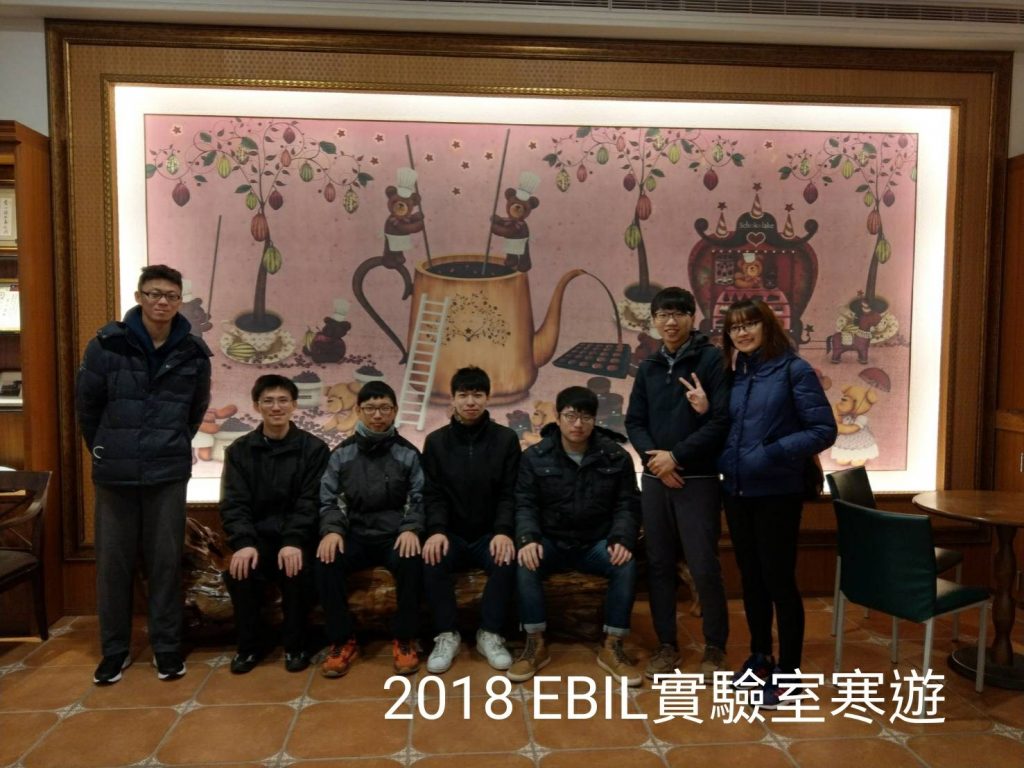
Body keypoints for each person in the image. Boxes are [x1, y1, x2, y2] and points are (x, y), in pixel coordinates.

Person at [76, 264, 212, 684]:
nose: (161, 302)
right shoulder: (106, 345)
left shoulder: (193, 352)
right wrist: (106, 448)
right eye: (154, 294)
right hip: (114, 474)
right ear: (139, 297)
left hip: (167, 472)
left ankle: (166, 648)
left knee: (165, 563)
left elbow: (195, 412)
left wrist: (171, 442)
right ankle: (114, 651)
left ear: (179, 301)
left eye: (170, 296)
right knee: (113, 567)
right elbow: (88, 407)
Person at [717, 298, 837, 707]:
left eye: (749, 324)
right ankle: (760, 657)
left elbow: (823, 430)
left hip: (777, 493)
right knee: (751, 580)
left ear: (767, 326)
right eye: (734, 327)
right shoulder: (735, 374)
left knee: (779, 582)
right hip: (737, 491)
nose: (742, 332)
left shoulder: (793, 370)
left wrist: (771, 453)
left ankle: (789, 672)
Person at [625, 286, 731, 681]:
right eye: (662, 315)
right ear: (653, 320)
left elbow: (721, 420)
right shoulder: (649, 365)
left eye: (678, 314)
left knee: (704, 566)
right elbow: (634, 421)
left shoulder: (712, 359)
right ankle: (666, 644)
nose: (670, 322)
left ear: (691, 317)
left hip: (698, 479)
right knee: (659, 565)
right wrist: (656, 460)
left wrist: (677, 456)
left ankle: (715, 647)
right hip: (656, 479)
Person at [509, 386, 642, 685]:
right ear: (558, 417)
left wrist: (621, 538)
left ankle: (612, 646)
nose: (578, 424)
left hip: (595, 542)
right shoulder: (535, 456)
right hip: (552, 541)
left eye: (585, 417)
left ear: (595, 419)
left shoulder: (615, 457)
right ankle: (535, 643)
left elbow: (627, 504)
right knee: (525, 560)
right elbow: (525, 503)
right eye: (570, 416)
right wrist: (528, 538)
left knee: (625, 563)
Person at [219, 375, 330, 674]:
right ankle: (249, 647)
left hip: (299, 538)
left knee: (296, 570)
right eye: (268, 401)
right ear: (257, 406)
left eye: (283, 400)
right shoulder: (239, 450)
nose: (276, 407)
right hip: (257, 537)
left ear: (294, 405)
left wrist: (293, 540)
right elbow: (234, 503)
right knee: (240, 572)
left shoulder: (314, 449)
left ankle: (296, 645)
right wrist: (244, 543)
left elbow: (311, 502)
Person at [315, 380, 425, 678]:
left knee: (412, 560)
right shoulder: (342, 453)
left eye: (385, 408)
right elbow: (330, 498)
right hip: (355, 534)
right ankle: (342, 640)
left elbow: (419, 497)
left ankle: (405, 638)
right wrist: (332, 530)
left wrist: (411, 528)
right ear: (358, 410)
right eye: (371, 408)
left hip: (394, 535)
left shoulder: (408, 453)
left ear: (395, 411)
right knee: (326, 561)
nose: (378, 415)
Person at [421, 366, 520, 674]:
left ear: (488, 398)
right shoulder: (436, 442)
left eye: (477, 394)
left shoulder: (506, 440)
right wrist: (437, 530)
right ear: (452, 399)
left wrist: (503, 531)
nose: (470, 402)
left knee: (507, 557)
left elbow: (509, 492)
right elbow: (433, 494)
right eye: (463, 395)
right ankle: (446, 634)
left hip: (489, 533)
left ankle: (489, 633)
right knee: (432, 557)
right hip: (451, 533)